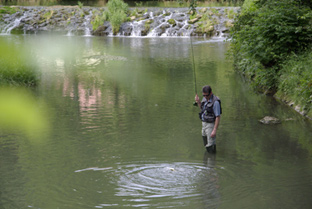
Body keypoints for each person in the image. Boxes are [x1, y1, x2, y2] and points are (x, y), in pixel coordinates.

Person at [195, 85, 222, 153]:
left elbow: (218, 117)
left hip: (211, 125)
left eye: (206, 95)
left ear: (211, 93)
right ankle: (207, 159)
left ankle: (212, 161)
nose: (205, 97)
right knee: (205, 143)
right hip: (204, 124)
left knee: (210, 145)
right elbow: (203, 109)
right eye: (204, 95)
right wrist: (198, 102)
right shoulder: (204, 99)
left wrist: (214, 130)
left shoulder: (215, 102)